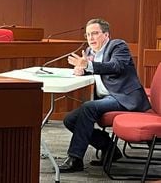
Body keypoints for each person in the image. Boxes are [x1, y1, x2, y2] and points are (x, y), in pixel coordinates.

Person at [58, 18, 151, 173]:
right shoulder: (88, 52)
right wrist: (81, 71)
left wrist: (87, 65)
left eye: (95, 33)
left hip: (124, 97)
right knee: (70, 120)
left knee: (88, 108)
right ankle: (110, 149)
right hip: (106, 98)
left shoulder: (118, 46)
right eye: (88, 35)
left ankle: (75, 158)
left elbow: (116, 66)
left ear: (106, 35)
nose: (91, 38)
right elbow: (92, 69)